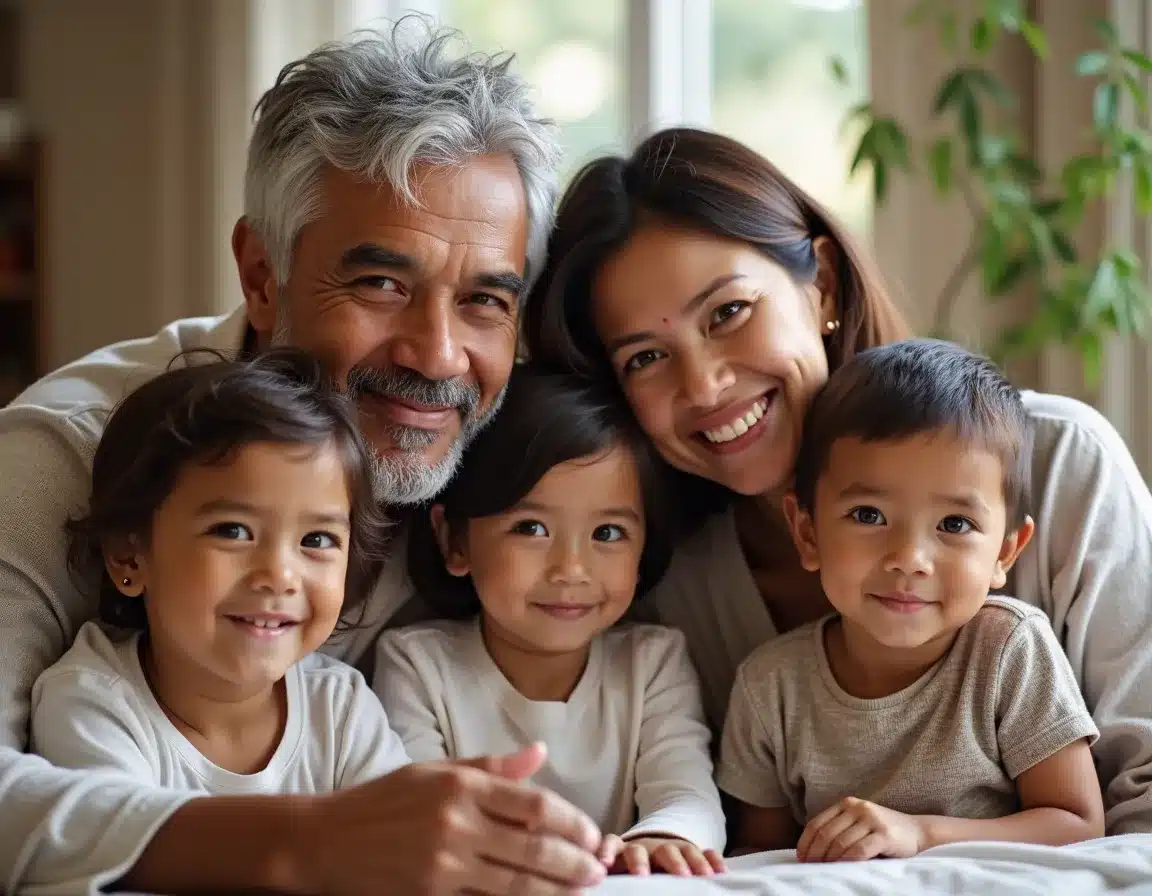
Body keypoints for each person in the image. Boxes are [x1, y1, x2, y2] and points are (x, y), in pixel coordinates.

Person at [0, 19, 609, 896]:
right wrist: (299, 845)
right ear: (260, 273)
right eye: (381, 285)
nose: (437, 356)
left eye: (484, 301)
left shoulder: (520, 471)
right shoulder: (61, 455)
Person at [524, 126, 1152, 835]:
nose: (705, 385)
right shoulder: (660, 581)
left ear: (820, 283)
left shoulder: (1064, 465)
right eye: (644, 357)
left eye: (729, 313)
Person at [717, 339, 1104, 860]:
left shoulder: (1009, 650)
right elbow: (758, 855)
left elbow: (1078, 824)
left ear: (1005, 553)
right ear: (807, 533)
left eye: (955, 524)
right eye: (869, 515)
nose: (909, 558)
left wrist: (921, 834)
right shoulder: (770, 687)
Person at [375, 365, 727, 878]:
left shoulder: (652, 662)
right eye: (531, 527)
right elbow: (422, 812)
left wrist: (660, 837)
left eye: (608, 533)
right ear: (454, 539)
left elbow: (689, 795)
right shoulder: (417, 664)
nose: (571, 570)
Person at [31, 348, 412, 791]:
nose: (279, 575)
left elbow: (407, 848)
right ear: (128, 556)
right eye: (232, 531)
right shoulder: (93, 703)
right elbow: (131, 850)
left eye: (317, 540)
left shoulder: (340, 709)